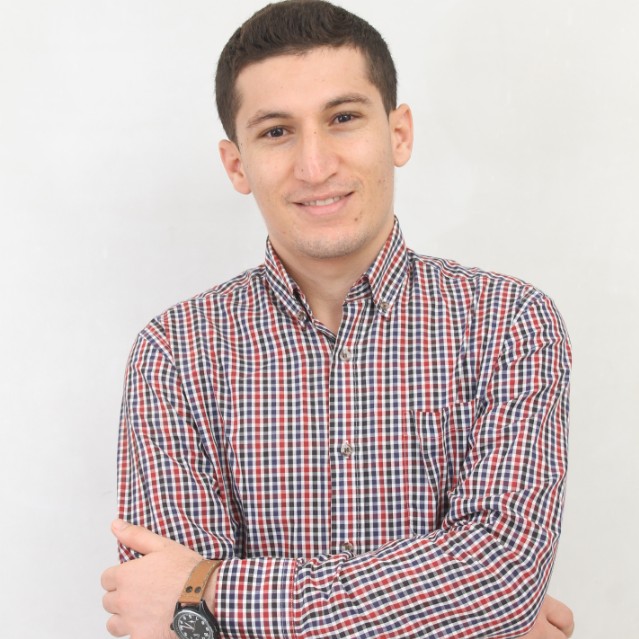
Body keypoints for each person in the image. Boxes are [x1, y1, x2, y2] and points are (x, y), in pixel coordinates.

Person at [101, 2, 574, 638]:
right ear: (237, 164)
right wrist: (460, 613)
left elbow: (499, 579)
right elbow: (165, 627)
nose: (315, 165)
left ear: (398, 134)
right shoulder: (175, 353)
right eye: (276, 131)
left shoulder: (511, 324)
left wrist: (208, 593)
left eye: (343, 118)